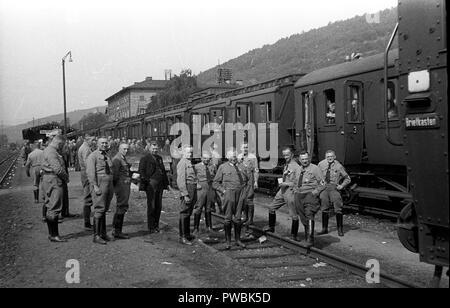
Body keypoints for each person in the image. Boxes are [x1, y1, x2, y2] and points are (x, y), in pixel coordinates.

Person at [263, 146, 302, 242]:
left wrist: (286, 183)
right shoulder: (286, 164)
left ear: (292, 155)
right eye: (284, 155)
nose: (285, 157)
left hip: (290, 191)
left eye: (287, 155)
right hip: (282, 191)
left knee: (294, 215)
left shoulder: (297, 167)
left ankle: (294, 235)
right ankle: (271, 227)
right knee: (271, 208)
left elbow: (298, 184)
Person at [213, 148, 248, 249]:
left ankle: (238, 240)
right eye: (232, 156)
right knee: (228, 219)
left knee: (238, 218)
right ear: (228, 157)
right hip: (229, 193)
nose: (234, 158)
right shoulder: (222, 167)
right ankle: (228, 241)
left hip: (240, 193)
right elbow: (215, 183)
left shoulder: (242, 166)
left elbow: (247, 179)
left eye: (235, 156)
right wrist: (223, 191)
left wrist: (245, 192)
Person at [86, 137, 114, 245]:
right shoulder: (93, 156)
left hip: (108, 185)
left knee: (104, 209)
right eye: (102, 143)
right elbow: (90, 173)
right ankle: (96, 236)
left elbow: (111, 170)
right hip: (100, 185)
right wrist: (95, 186)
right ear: (98, 144)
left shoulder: (107, 155)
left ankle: (103, 234)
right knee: (99, 209)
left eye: (106, 143)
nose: (104, 144)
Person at [41, 135, 69, 242]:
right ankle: (54, 235)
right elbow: (58, 169)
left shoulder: (48, 150)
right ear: (59, 143)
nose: (62, 147)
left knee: (50, 206)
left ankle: (51, 234)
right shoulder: (52, 152)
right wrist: (66, 178)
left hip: (48, 179)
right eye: (62, 145)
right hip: (54, 180)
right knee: (55, 207)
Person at [138, 142, 169, 236]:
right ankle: (151, 227)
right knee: (152, 206)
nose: (155, 150)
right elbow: (141, 171)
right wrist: (147, 181)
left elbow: (163, 171)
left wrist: (166, 184)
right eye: (153, 148)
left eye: (156, 148)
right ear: (149, 148)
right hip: (151, 185)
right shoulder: (145, 158)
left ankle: (156, 225)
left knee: (158, 205)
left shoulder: (159, 158)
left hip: (159, 185)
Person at [317, 150, 351, 237]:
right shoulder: (321, 164)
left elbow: (348, 178)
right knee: (324, 208)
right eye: (328, 157)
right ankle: (324, 229)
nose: (329, 158)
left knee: (338, 208)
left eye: (331, 156)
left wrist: (342, 186)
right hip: (324, 188)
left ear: (334, 157)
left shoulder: (339, 166)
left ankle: (340, 229)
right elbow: (316, 176)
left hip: (334, 188)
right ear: (325, 157)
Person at [297, 151, 325, 247]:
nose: (305, 161)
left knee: (309, 214)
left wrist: (315, 192)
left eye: (306, 159)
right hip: (299, 196)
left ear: (309, 159)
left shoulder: (315, 168)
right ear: (299, 160)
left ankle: (310, 239)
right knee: (303, 217)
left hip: (310, 195)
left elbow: (322, 183)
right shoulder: (298, 169)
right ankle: (307, 237)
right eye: (303, 159)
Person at [176, 145, 198, 245]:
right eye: (188, 152)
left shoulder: (188, 162)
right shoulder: (182, 163)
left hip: (192, 188)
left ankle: (187, 233)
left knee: (188, 212)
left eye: (191, 152)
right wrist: (185, 194)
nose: (190, 154)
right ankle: (183, 237)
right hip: (187, 189)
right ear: (183, 153)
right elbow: (181, 180)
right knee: (184, 213)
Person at [193, 151, 217, 234]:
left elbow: (215, 176)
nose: (207, 160)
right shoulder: (196, 166)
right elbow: (193, 177)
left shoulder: (212, 166)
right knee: (198, 207)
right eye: (205, 158)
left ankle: (209, 227)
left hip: (209, 187)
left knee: (208, 208)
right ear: (201, 158)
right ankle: (196, 228)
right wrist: (196, 184)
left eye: (208, 158)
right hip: (201, 188)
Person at [237, 143, 259, 236]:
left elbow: (256, 170)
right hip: (241, 182)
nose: (245, 149)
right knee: (242, 200)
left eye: (246, 147)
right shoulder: (238, 157)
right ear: (240, 148)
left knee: (249, 200)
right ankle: (245, 217)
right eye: (243, 147)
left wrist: (256, 181)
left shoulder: (252, 157)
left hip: (250, 181)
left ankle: (250, 220)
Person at [111, 143, 132, 240]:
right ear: (119, 149)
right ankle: (117, 231)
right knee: (121, 206)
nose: (126, 151)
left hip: (124, 185)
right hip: (121, 186)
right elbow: (114, 175)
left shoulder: (122, 158)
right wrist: (117, 187)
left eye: (127, 149)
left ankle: (116, 230)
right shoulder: (117, 159)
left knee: (122, 206)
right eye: (124, 149)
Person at [77, 136, 95, 229]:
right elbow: (88, 163)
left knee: (87, 197)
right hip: (87, 173)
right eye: (92, 139)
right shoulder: (86, 149)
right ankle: (87, 223)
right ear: (86, 140)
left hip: (84, 172)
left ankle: (87, 222)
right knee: (88, 198)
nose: (94, 141)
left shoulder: (83, 147)